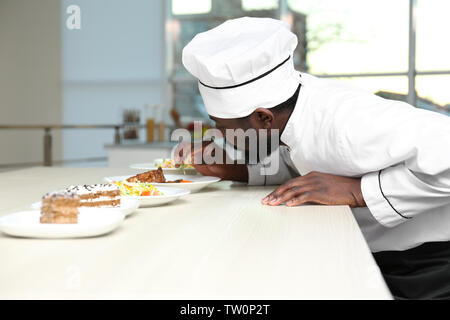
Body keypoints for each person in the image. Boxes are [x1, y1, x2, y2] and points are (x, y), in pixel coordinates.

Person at [178, 17, 450, 299]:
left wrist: (359, 191)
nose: (219, 132)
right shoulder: (291, 114)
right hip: (370, 250)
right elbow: (305, 163)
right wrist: (238, 170)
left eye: (222, 125)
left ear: (263, 118)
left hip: (427, 262)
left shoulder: (347, 121)